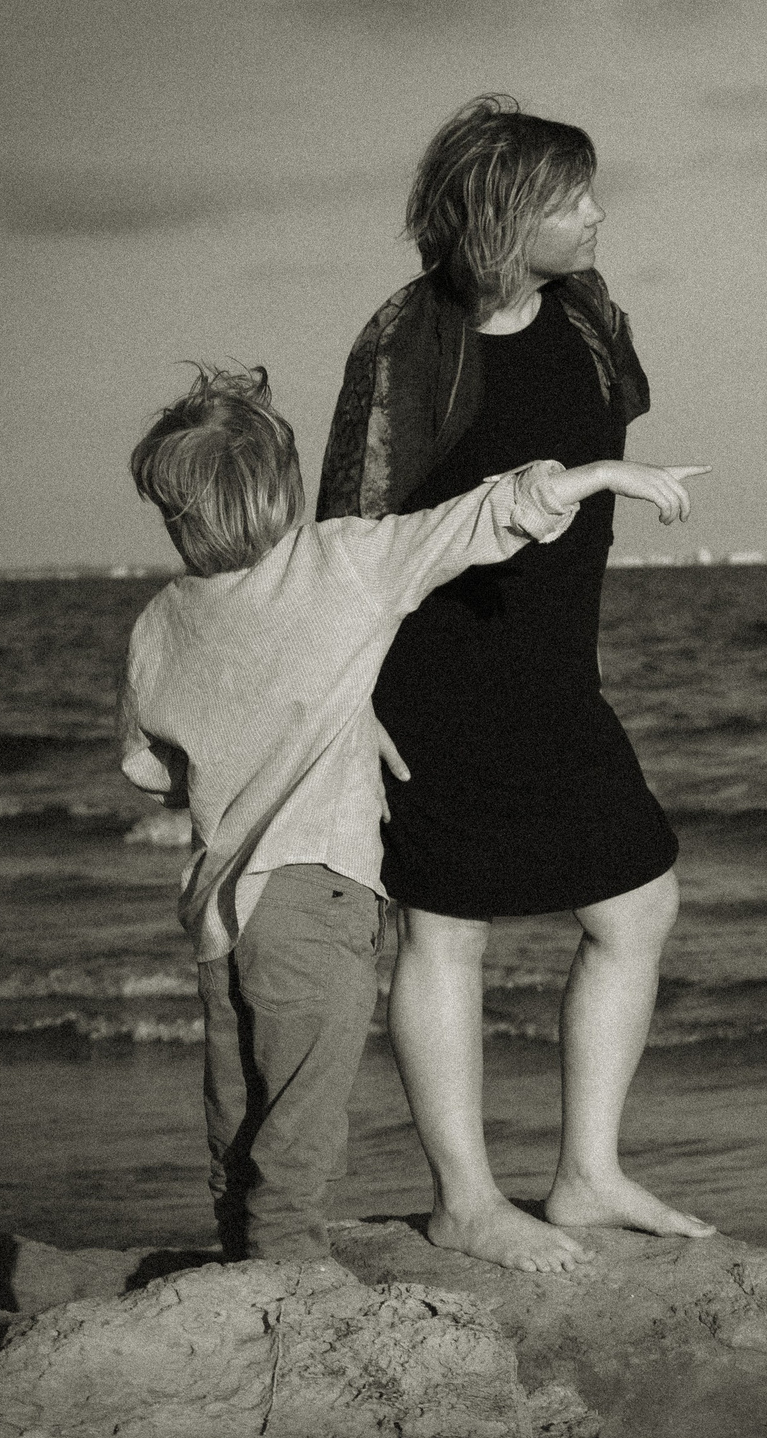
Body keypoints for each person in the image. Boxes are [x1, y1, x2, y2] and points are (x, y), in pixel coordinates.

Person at [118, 365, 703, 1263]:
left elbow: (148, 767)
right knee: (302, 1127)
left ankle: (237, 1268)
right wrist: (590, 477)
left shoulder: (159, 620)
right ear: (283, 489)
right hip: (313, 900)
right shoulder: (337, 563)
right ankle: (291, 1295)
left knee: (236, 1114)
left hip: (216, 908)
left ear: (176, 514)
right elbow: (470, 521)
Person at [318, 95, 712, 1273]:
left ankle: (586, 1177)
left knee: (636, 905)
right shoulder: (407, 341)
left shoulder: (588, 313)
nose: (596, 214)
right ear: (500, 215)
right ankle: (466, 1201)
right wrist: (350, 698)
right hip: (432, 673)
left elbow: (601, 429)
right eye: (570, 198)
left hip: (553, 668)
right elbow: (349, 529)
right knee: (446, 929)